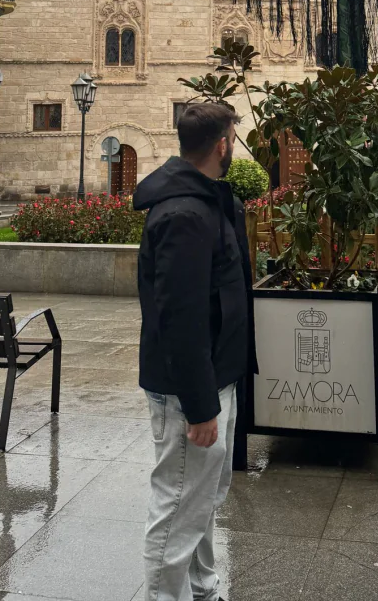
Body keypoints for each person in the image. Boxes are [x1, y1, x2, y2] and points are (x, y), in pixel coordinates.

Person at [135, 102, 256, 601]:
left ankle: (203, 589)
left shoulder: (205, 200)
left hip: (213, 377)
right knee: (179, 504)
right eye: (234, 135)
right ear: (223, 143)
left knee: (201, 498)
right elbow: (180, 320)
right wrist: (202, 404)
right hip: (192, 391)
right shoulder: (185, 213)